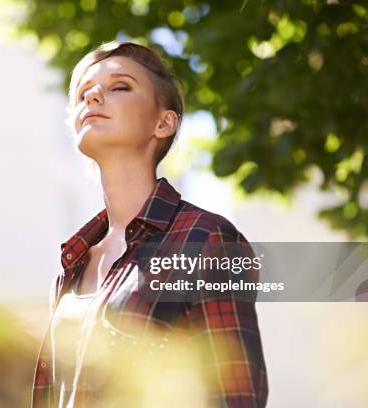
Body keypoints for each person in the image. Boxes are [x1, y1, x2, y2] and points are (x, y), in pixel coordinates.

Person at [32, 40, 268, 408]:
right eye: (83, 94)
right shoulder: (69, 270)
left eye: (120, 86)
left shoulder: (207, 239)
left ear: (164, 122)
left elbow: (235, 395)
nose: (92, 97)